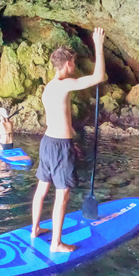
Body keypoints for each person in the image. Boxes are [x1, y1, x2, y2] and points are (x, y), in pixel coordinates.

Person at [31, 28, 106, 253]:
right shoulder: (65, 84)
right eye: (73, 63)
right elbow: (98, 77)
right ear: (67, 65)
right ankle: (56, 243)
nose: (74, 67)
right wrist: (98, 45)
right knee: (62, 194)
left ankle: (35, 230)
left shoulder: (49, 87)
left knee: (42, 188)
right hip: (59, 147)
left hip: (47, 143)